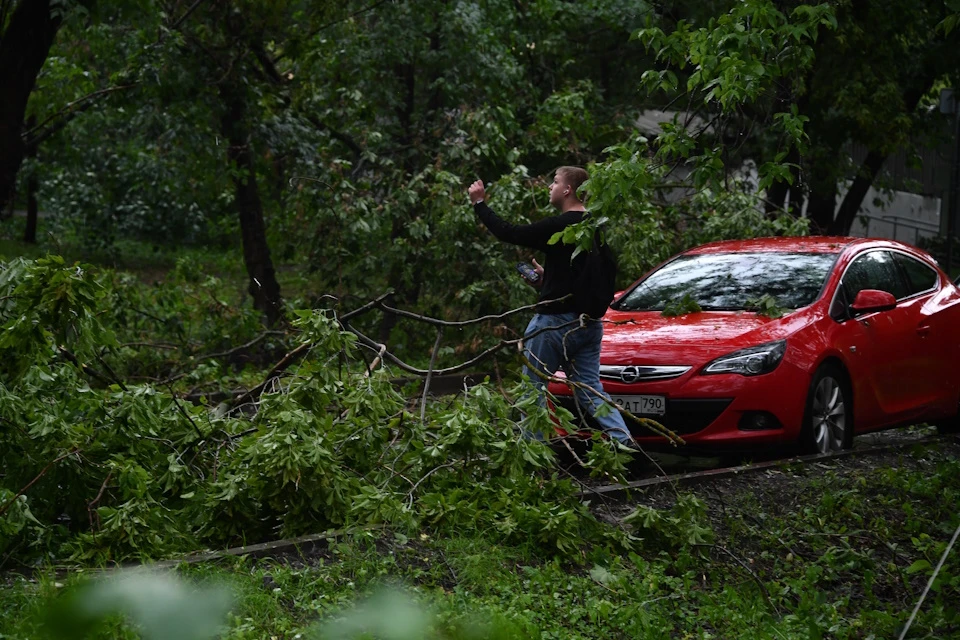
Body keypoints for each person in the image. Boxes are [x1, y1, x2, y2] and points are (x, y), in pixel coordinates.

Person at [467, 167, 633, 445]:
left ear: (568, 189)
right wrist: (548, 279)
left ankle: (532, 455)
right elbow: (585, 273)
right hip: (589, 325)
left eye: (555, 182)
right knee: (591, 389)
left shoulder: (562, 224)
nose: (550, 187)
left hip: (554, 324)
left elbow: (511, 233)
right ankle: (624, 442)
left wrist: (479, 203)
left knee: (532, 390)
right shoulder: (594, 226)